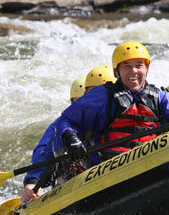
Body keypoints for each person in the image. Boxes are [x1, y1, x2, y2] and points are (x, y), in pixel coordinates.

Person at [53, 41, 169, 168]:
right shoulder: (103, 95)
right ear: (116, 72)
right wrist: (69, 137)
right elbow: (66, 120)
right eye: (126, 66)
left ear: (147, 69)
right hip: (110, 168)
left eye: (139, 65)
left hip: (153, 164)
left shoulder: (159, 96)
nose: (134, 71)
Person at [21, 67, 117, 203]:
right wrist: (33, 181)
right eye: (78, 100)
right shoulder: (63, 125)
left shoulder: (119, 112)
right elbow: (45, 152)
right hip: (75, 180)